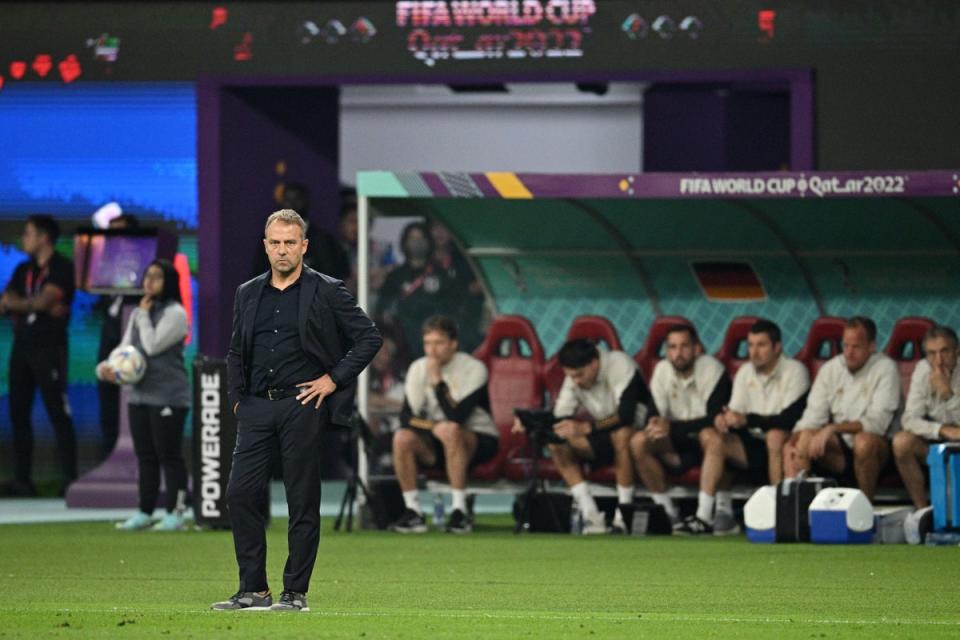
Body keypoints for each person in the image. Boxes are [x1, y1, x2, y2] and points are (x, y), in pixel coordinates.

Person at [213, 209, 381, 611]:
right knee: (240, 494)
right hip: (255, 406)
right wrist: (238, 398)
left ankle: (295, 592)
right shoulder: (247, 292)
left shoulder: (327, 290)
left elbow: (368, 338)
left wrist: (332, 379)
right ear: (265, 246)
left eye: (290, 242)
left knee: (301, 500)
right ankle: (254, 589)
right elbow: (237, 349)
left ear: (304, 246)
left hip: (302, 406)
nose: (282, 250)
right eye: (275, 242)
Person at [96, 259, 191, 531]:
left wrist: (142, 317)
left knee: (169, 455)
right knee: (145, 455)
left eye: (156, 277)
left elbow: (151, 346)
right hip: (139, 396)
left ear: (168, 282)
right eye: (147, 276)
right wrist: (107, 367)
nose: (148, 282)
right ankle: (144, 511)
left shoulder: (175, 314)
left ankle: (176, 512)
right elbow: (126, 348)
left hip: (168, 397)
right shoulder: (142, 311)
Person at [523, 338, 653, 534]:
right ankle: (591, 515)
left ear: (594, 363)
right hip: (601, 433)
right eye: (571, 376)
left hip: (637, 436)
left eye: (579, 375)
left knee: (621, 434)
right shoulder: (574, 377)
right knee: (557, 441)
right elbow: (560, 417)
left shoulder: (620, 364)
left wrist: (587, 428)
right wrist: (530, 421)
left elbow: (625, 416)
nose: (575, 381)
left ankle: (623, 515)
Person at [389, 315, 498, 534]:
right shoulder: (417, 368)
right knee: (402, 437)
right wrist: (432, 427)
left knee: (451, 430)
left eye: (438, 343)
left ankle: (459, 511)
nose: (432, 350)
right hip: (434, 438)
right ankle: (414, 512)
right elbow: (406, 418)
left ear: (453, 344)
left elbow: (456, 415)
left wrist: (438, 381)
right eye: (427, 343)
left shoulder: (474, 368)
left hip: (478, 439)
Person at [629, 324, 734, 535]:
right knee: (638, 440)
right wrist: (654, 424)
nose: (678, 353)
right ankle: (667, 512)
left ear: (697, 348)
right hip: (675, 439)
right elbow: (655, 411)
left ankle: (704, 516)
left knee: (712, 436)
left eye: (684, 346)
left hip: (705, 440)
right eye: (672, 347)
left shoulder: (712, 369)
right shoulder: (662, 370)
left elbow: (713, 418)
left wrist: (671, 427)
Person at [0, 215, 76, 497]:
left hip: (50, 347)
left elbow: (46, 300)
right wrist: (33, 306)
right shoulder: (23, 269)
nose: (24, 238)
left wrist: (23, 305)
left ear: (44, 237)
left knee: (58, 411)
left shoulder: (62, 267)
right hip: (22, 348)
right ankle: (22, 480)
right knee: (18, 413)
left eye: (28, 233)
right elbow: (5, 303)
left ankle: (70, 478)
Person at [785, 316, 900, 501]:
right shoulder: (831, 368)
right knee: (803, 438)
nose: (849, 352)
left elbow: (877, 424)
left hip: (881, 450)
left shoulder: (886, 368)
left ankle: (864, 511)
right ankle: (800, 513)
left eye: (856, 347)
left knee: (864, 442)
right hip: (841, 450)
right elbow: (812, 417)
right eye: (845, 345)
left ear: (872, 346)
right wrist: (792, 441)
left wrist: (832, 428)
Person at [714, 319, 809, 485]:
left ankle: (777, 504)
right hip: (753, 441)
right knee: (714, 437)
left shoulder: (795, 371)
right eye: (750, 345)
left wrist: (747, 419)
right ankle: (717, 507)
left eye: (761, 345)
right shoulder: (744, 372)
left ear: (777, 347)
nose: (754, 352)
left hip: (786, 440)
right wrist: (727, 419)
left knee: (774, 436)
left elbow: (786, 420)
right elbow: (737, 412)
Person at [893, 325, 960, 509]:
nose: (938, 361)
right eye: (931, 353)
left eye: (944, 351)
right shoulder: (923, 369)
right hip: (940, 441)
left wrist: (947, 393)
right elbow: (909, 419)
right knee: (902, 442)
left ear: (957, 351)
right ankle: (922, 513)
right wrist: (942, 430)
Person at [375, 221, 454, 363]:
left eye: (421, 238)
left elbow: (450, 306)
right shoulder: (396, 276)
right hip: (402, 340)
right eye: (412, 238)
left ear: (429, 241)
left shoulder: (440, 273)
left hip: (432, 338)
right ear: (404, 243)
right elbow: (383, 309)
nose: (417, 243)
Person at [95, 213, 141, 457]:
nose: (115, 240)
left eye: (120, 234)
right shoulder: (105, 271)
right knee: (108, 405)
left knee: (134, 409)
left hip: (135, 351)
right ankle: (108, 459)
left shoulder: (145, 271)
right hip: (109, 342)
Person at [251, 182, 350, 281]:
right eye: (288, 200)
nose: (292, 204)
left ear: (306, 202)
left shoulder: (322, 240)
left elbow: (331, 276)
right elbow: (260, 275)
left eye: (297, 199)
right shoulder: (270, 238)